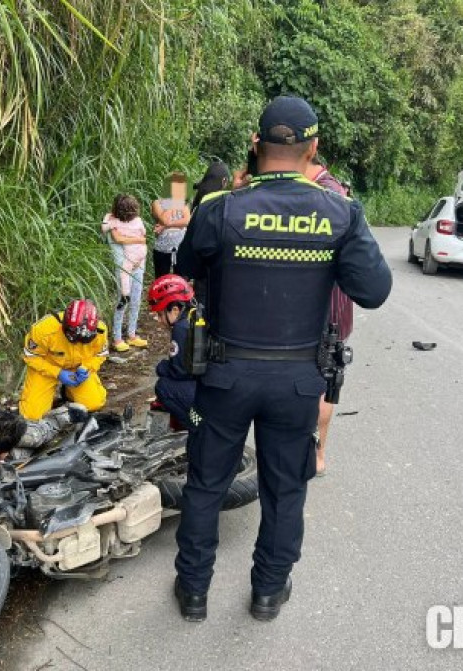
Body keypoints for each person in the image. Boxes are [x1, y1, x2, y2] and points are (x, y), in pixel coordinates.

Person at [172, 96, 392, 623]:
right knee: (285, 488)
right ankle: (268, 592)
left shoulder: (219, 208)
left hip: (224, 375)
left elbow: (185, 266)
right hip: (297, 381)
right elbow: (374, 290)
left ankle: (194, 591)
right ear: (314, 149)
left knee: (205, 485)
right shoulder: (341, 211)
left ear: (255, 145)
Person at [304, 155, 355, 476]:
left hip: (324, 306)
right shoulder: (339, 196)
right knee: (323, 379)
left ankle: (317, 453)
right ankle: (316, 454)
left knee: (322, 382)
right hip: (337, 306)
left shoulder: (322, 197)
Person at [19, 299, 109, 421]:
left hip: (77, 368)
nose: (77, 341)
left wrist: (86, 368)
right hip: (47, 367)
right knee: (32, 416)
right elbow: (31, 356)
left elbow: (100, 355)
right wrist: (57, 373)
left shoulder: (100, 330)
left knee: (94, 403)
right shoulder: (43, 329)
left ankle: (68, 393)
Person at [147, 275, 197, 430]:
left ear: (175, 309)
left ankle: (197, 424)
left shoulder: (181, 328)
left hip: (205, 390)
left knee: (163, 387)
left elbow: (179, 371)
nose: (160, 320)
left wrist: (162, 367)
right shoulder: (196, 314)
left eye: (161, 315)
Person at [102, 194, 149, 353]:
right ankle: (116, 338)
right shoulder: (112, 222)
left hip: (139, 265)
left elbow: (143, 236)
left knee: (136, 300)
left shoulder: (136, 222)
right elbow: (119, 239)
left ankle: (132, 334)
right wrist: (138, 240)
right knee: (123, 299)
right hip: (123, 267)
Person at [151, 172, 191, 277]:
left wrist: (165, 226)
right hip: (162, 248)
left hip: (181, 247)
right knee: (161, 279)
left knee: (182, 279)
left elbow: (186, 221)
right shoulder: (157, 203)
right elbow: (164, 219)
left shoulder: (184, 204)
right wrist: (173, 203)